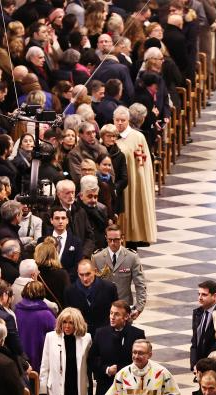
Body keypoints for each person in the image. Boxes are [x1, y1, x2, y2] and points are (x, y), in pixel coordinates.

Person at [112, 107, 156, 246]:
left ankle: (134, 235)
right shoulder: (110, 135)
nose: (120, 123)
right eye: (117, 120)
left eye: (123, 120)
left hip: (133, 179)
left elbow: (143, 162)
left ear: (128, 120)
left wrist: (141, 179)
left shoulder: (137, 137)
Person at [92, 225, 148, 317]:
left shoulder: (132, 257)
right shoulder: (97, 257)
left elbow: (140, 284)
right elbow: (92, 285)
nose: (113, 243)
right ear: (106, 238)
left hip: (124, 308)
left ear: (122, 238)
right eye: (110, 240)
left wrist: (139, 308)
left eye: (116, 240)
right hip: (104, 307)